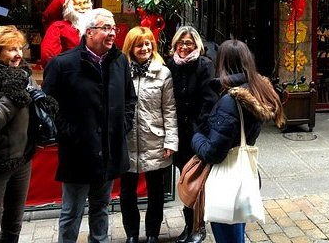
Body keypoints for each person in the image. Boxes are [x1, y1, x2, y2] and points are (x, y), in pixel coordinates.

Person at [43, 8, 137, 243]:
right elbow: (48, 105)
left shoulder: (119, 61)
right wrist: (69, 133)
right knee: (71, 212)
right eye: (106, 28)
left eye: (113, 28)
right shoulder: (62, 64)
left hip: (108, 150)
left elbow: (129, 99)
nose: (112, 33)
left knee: (101, 208)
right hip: (78, 152)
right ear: (89, 32)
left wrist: (121, 126)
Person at [0, 25, 57, 243]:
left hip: (21, 160)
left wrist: (45, 106)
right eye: (11, 49)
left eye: (20, 48)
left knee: (13, 227)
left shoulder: (23, 76)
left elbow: (34, 113)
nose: (18, 55)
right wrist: (11, 95)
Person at [191, 39, 285, 243]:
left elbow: (213, 152)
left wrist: (196, 136)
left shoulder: (230, 101)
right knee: (237, 231)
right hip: (242, 175)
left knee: (228, 234)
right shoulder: (258, 91)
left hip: (226, 179)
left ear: (222, 63)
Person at [120, 26, 178, 243]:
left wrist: (171, 140)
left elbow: (170, 110)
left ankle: (152, 233)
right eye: (139, 44)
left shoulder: (163, 73)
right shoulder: (121, 71)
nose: (144, 48)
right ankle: (131, 234)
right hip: (127, 140)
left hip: (155, 139)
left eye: (147, 44)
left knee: (156, 192)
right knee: (127, 192)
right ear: (130, 47)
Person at [168, 26, 218, 243]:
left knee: (196, 181)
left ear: (196, 45)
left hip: (196, 133)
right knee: (184, 178)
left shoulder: (204, 65)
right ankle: (189, 225)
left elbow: (209, 100)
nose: (185, 47)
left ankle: (199, 226)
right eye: (181, 43)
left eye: (189, 43)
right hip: (177, 132)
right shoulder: (171, 64)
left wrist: (199, 129)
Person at [40, 0, 93, 66]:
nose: (83, 7)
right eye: (78, 4)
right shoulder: (59, 27)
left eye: (85, 3)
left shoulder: (95, 25)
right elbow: (48, 54)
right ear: (69, 7)